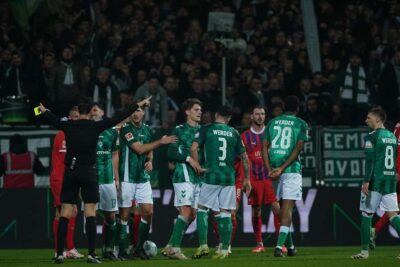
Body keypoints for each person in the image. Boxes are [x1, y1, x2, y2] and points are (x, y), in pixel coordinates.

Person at [38, 96, 152, 264]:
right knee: (90, 213)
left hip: (71, 172)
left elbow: (50, 118)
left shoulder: (67, 125)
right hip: (88, 173)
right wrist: (139, 104)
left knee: (65, 213)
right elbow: (119, 116)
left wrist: (41, 109)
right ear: (90, 112)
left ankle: (59, 254)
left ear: (78, 112)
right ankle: (92, 254)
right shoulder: (96, 126)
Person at [190, 106, 251, 260]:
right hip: (229, 178)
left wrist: (197, 166)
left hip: (211, 175)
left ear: (216, 114)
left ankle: (203, 245)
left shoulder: (207, 129)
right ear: (228, 118)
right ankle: (224, 249)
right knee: (226, 213)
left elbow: (193, 148)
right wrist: (247, 179)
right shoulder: (234, 132)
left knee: (202, 209)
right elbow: (244, 158)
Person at [117, 106, 177, 260]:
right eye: (133, 112)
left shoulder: (148, 129)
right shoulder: (125, 130)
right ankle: (123, 250)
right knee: (124, 215)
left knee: (148, 212)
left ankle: (138, 248)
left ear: (143, 113)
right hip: (127, 177)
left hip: (143, 178)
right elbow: (139, 149)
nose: (136, 114)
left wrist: (150, 160)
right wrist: (161, 142)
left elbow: (149, 150)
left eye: (138, 111)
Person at [262, 95, 308, 257]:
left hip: (274, 171)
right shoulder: (301, 124)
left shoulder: (272, 122)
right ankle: (278, 247)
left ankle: (291, 247)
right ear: (298, 108)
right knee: (287, 210)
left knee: (281, 211)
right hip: (290, 171)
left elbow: (264, 148)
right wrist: (282, 168)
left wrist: (270, 169)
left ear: (282, 107)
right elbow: (298, 149)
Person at [352, 107, 400, 260]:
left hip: (375, 181)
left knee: (367, 215)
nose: (366, 121)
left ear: (378, 119)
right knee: (393, 215)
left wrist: (366, 181)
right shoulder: (392, 137)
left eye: (369, 118)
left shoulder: (371, 136)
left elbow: (370, 161)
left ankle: (364, 252)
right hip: (390, 180)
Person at [162, 98, 202, 260]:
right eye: (196, 109)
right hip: (183, 175)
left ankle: (170, 245)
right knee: (185, 210)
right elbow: (170, 153)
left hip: (197, 177)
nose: (199, 112)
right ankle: (176, 249)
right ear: (187, 112)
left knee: (192, 214)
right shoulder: (179, 130)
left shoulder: (203, 130)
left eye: (200, 110)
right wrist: (188, 159)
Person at [242, 105, 281, 253]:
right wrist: (246, 180)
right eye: (257, 114)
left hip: (270, 177)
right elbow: (242, 159)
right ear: (251, 116)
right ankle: (259, 244)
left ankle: (280, 243)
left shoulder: (272, 133)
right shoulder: (245, 136)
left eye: (263, 114)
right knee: (256, 210)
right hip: (254, 178)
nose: (260, 116)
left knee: (277, 208)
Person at [49, 106, 83, 260]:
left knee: (66, 212)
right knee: (66, 212)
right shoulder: (63, 134)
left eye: (78, 117)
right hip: (60, 179)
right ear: (69, 118)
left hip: (68, 178)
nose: (76, 119)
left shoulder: (70, 133)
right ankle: (64, 250)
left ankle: (64, 250)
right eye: (74, 117)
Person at [90, 103, 120, 260]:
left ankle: (108, 248)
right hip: (91, 180)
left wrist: (117, 178)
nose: (94, 113)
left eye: (97, 110)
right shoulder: (87, 130)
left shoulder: (112, 132)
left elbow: (115, 155)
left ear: (102, 112)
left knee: (111, 217)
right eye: (92, 110)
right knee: (91, 216)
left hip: (108, 180)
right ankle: (91, 251)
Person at [369, 120, 400, 249]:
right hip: (396, 169)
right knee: (394, 208)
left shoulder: (397, 126)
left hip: (391, 168)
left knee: (394, 207)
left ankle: (375, 230)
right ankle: (374, 230)